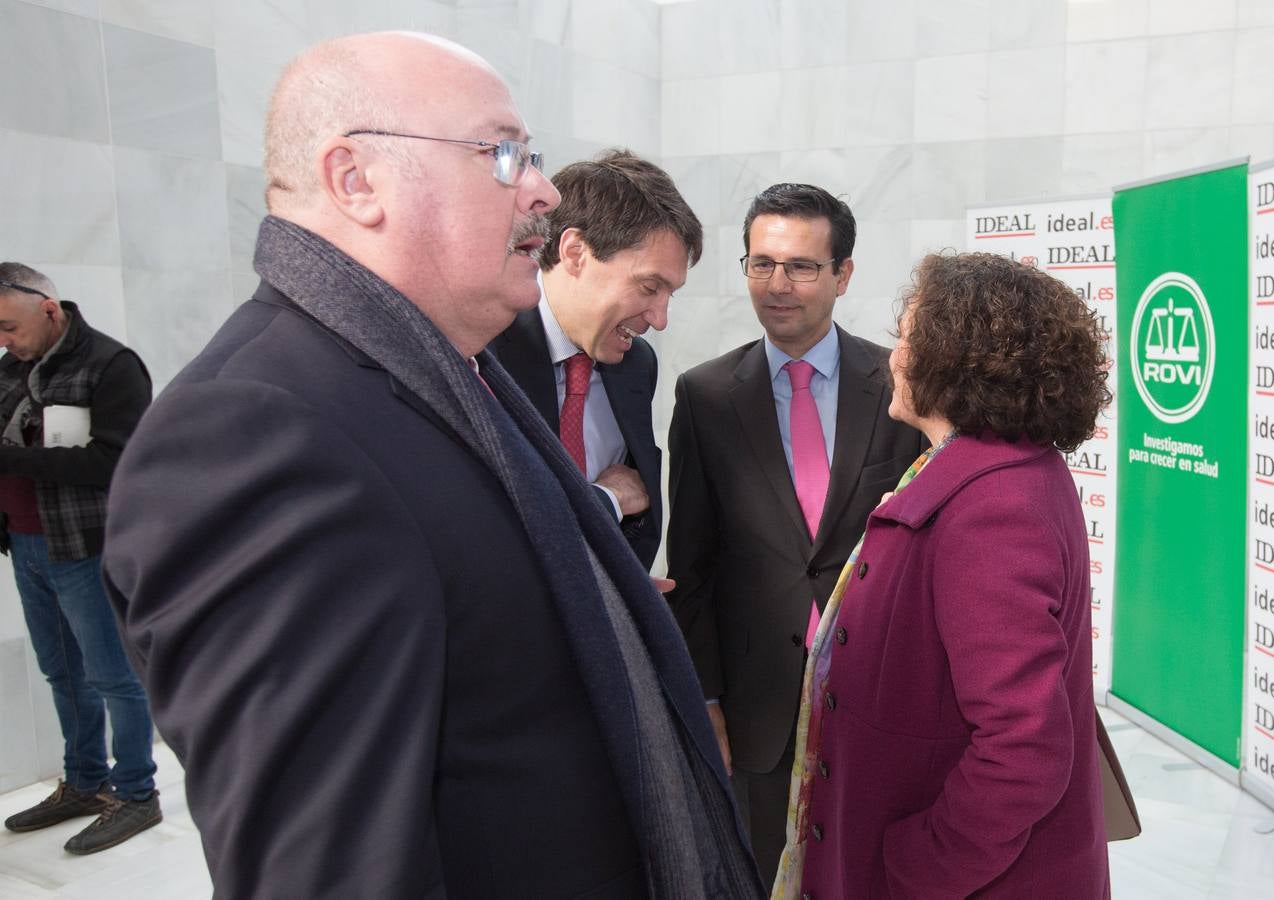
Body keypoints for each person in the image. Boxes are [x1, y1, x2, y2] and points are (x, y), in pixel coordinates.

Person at [100, 33, 760, 899]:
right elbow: (330, 869)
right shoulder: (249, 431)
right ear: (355, 180)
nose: (544, 191)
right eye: (503, 154)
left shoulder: (454, 370)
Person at [776, 251, 1112, 899]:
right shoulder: (987, 469)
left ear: (953, 355)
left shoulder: (995, 505)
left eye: (907, 336)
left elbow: (1024, 750)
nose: (893, 357)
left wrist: (918, 868)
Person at [665, 183, 926, 885]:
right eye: (761, 264)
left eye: (803, 266)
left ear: (843, 274)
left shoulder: (902, 387)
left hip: (877, 693)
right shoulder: (705, 395)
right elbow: (694, 565)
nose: (778, 286)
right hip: (759, 709)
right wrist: (708, 700)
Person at [0, 263, 160, 854]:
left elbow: (116, 462)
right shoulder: (11, 369)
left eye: (8, 327)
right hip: (25, 541)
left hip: (86, 545)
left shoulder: (111, 365)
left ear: (47, 309)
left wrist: (14, 460)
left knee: (113, 676)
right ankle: (85, 782)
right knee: (61, 671)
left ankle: (137, 793)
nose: (4, 341)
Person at [490, 148, 700, 570]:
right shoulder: (484, 355)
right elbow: (493, 531)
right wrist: (606, 501)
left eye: (669, 294)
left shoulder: (636, 365)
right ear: (574, 252)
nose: (659, 320)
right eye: (648, 287)